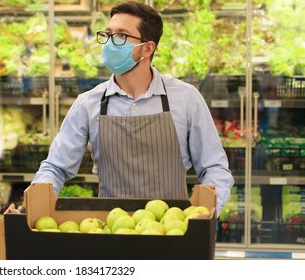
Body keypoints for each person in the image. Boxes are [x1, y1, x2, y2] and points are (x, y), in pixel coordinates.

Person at [32, 1, 234, 215]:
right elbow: (55, 167)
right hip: (112, 231)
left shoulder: (186, 99)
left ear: (147, 48)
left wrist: (207, 211)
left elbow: (214, 168)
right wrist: (34, 202)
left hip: (174, 231)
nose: (110, 43)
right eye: (108, 34)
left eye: (121, 36)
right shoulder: (88, 103)